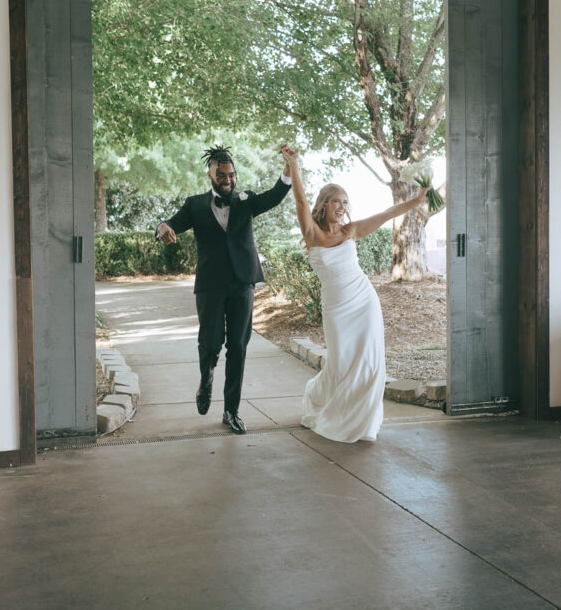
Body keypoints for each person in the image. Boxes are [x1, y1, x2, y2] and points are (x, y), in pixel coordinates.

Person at [279, 144, 430, 442]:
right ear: (324, 204)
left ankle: (363, 423)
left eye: (345, 202)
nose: (342, 206)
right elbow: (299, 202)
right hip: (337, 307)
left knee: (371, 363)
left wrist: (419, 199)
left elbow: (387, 213)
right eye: (336, 201)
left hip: (364, 301)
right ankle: (324, 402)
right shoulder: (313, 234)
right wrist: (294, 165)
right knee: (341, 363)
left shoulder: (351, 231)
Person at [156, 146, 292, 434]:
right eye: (221, 175)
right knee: (210, 342)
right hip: (210, 284)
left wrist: (289, 167)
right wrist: (162, 227)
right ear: (210, 175)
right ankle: (206, 379)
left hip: (242, 282)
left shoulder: (247, 201)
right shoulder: (195, 205)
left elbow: (276, 195)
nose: (228, 179)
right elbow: (172, 223)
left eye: (231, 174)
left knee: (238, 347)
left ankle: (231, 410)